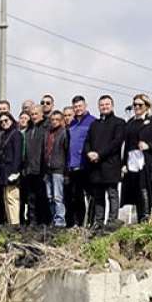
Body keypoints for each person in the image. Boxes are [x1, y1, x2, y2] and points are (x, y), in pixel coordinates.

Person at [84, 95, 126, 228]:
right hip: (95, 166)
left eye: (107, 104)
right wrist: (89, 153)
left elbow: (116, 143)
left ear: (112, 106)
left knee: (112, 194)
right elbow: (87, 141)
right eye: (102, 105)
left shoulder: (119, 122)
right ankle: (99, 221)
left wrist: (99, 154)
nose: (104, 107)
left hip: (111, 164)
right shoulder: (94, 124)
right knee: (98, 196)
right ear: (98, 107)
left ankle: (112, 221)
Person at [123, 94, 152, 222]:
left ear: (146, 106)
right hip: (132, 160)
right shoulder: (130, 123)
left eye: (140, 105)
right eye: (134, 105)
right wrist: (124, 163)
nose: (137, 107)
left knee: (144, 187)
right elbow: (127, 144)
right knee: (135, 188)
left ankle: (146, 216)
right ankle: (139, 216)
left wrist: (149, 145)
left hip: (147, 160)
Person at [66, 96, 96, 227]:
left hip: (86, 165)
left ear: (85, 106)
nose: (78, 109)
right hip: (73, 166)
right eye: (75, 107)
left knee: (90, 195)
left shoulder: (92, 121)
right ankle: (78, 223)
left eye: (80, 106)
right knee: (76, 197)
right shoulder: (71, 124)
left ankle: (91, 222)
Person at [21, 105, 48, 225]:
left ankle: (43, 222)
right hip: (29, 169)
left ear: (41, 114)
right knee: (30, 198)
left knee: (42, 197)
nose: (34, 116)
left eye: (36, 114)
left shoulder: (45, 128)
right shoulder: (28, 130)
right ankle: (32, 221)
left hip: (41, 169)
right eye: (32, 114)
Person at [43, 111, 70, 227]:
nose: (54, 122)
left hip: (58, 169)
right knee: (50, 197)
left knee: (58, 197)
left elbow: (67, 153)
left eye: (57, 119)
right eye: (52, 119)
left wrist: (66, 172)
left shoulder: (64, 133)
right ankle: (54, 219)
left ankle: (60, 221)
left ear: (62, 120)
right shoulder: (48, 133)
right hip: (48, 169)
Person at [0, 111, 23, 225]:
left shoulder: (16, 134)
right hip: (4, 170)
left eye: (6, 120)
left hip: (12, 170)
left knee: (12, 198)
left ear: (11, 120)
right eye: (1, 121)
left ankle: (15, 224)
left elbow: (18, 154)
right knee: (6, 198)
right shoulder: (3, 135)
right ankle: (10, 223)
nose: (4, 123)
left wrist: (15, 172)